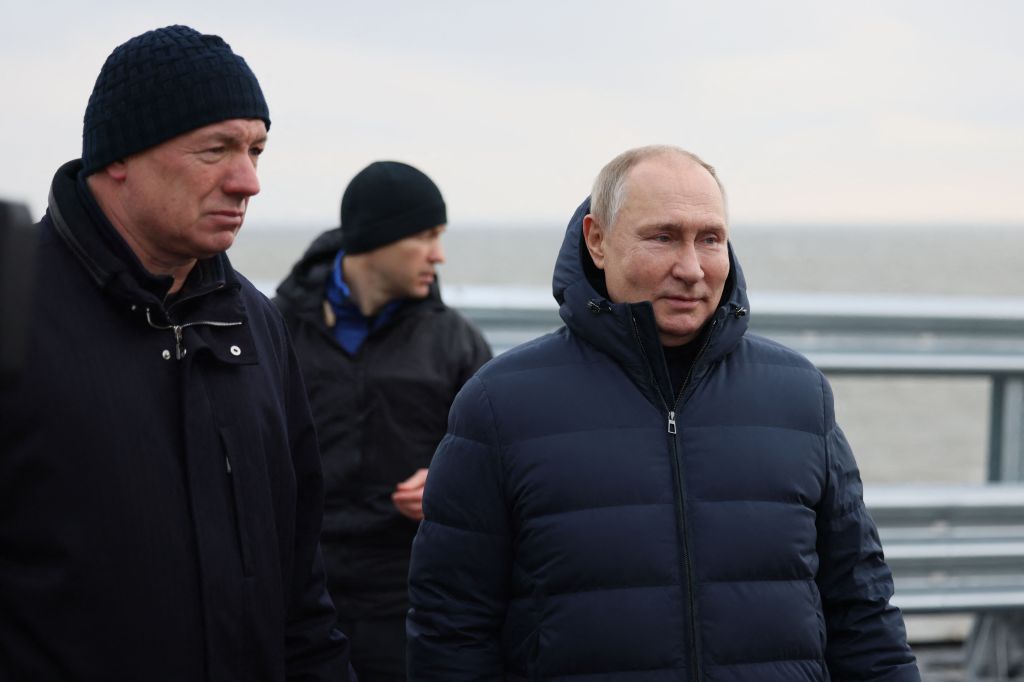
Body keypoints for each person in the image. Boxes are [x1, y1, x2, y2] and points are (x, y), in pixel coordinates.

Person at [407, 145, 922, 681]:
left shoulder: (799, 396)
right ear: (597, 240)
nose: (692, 268)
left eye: (711, 239)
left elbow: (861, 610)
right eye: (663, 237)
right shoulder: (499, 405)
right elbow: (452, 629)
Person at [0, 26, 353, 680]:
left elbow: (300, 591)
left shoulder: (258, 323)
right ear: (118, 155)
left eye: (256, 149)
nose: (248, 181)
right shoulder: (15, 309)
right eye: (215, 149)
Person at [274, 161, 492, 681]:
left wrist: (448, 484)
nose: (439, 255)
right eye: (425, 236)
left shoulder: (456, 342)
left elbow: (497, 467)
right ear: (377, 237)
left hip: (406, 597)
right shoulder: (273, 330)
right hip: (294, 592)